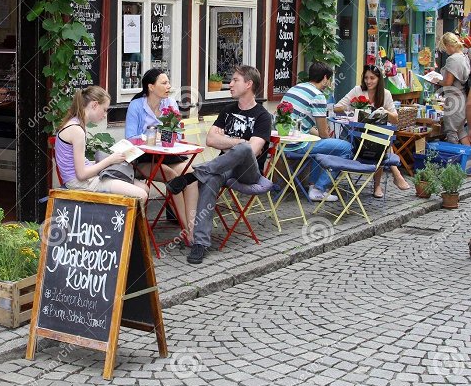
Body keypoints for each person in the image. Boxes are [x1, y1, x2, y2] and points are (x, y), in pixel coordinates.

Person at [164, 65, 272, 265]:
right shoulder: (228, 110)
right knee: (212, 177)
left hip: (248, 172)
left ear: (248, 84)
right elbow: (211, 140)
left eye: (235, 80)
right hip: (223, 168)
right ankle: (200, 243)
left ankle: (192, 176)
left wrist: (233, 142)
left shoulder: (263, 116)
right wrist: (238, 140)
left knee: (244, 150)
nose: (229, 84)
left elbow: (254, 150)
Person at [126, 68, 198, 242]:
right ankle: (185, 229)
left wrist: (166, 135)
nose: (169, 86)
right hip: (143, 158)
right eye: (164, 83)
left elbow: (178, 135)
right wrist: (150, 136)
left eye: (168, 82)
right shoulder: (136, 106)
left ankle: (192, 228)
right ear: (151, 87)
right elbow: (129, 139)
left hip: (168, 155)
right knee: (172, 176)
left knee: (191, 175)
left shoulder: (170, 103)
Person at [56, 86, 148, 199]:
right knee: (141, 194)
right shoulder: (77, 130)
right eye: (104, 109)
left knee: (144, 188)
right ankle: (125, 216)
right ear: (94, 105)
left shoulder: (75, 123)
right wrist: (110, 160)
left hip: (83, 179)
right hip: (78, 183)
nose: (105, 115)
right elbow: (81, 174)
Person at [334, 64, 411, 198]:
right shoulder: (358, 90)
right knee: (381, 140)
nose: (368, 81)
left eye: (372, 78)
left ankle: (378, 185)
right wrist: (353, 106)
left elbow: (395, 119)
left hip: (374, 139)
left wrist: (384, 111)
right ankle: (394, 175)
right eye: (366, 78)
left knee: (379, 139)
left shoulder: (385, 94)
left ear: (379, 79)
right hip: (356, 138)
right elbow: (337, 108)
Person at [282, 62, 353, 202]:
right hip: (297, 145)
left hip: (282, 143)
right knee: (347, 148)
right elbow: (323, 134)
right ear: (325, 78)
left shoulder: (296, 88)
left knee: (323, 146)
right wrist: (329, 136)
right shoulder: (318, 95)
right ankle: (319, 188)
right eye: (330, 79)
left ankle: (313, 186)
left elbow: (305, 127)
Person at [433, 32, 471, 145]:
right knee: (460, 131)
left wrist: (436, 80)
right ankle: (467, 158)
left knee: (451, 132)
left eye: (444, 48)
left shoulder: (453, 59)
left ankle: (454, 161)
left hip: (454, 100)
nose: (445, 51)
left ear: (448, 45)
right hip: (462, 97)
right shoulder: (464, 57)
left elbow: (448, 82)